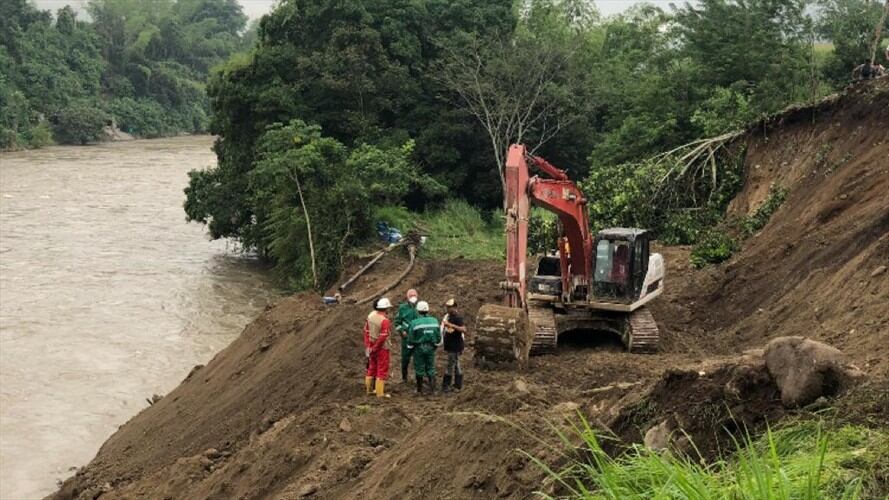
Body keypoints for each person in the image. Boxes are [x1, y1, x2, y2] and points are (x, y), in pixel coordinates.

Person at [407, 301, 440, 395]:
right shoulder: (434, 321)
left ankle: (419, 390)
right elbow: (438, 337)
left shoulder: (414, 322)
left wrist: (410, 347)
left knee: (419, 368)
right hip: (431, 347)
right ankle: (433, 390)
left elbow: (411, 338)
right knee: (431, 367)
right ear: (428, 310)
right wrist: (435, 345)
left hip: (418, 348)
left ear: (418, 311)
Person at [363, 297, 394, 398]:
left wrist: (369, 347)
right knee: (382, 369)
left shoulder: (370, 316)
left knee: (372, 368)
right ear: (386, 308)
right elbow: (382, 337)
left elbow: (366, 332)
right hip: (381, 348)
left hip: (371, 345)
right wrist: (376, 348)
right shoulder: (384, 321)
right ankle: (380, 394)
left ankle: (369, 390)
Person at [440, 298, 467, 392]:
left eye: (450, 307)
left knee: (451, 365)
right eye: (447, 307)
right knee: (455, 365)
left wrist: (451, 326)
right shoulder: (448, 317)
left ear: (455, 307)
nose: (448, 309)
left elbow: (464, 329)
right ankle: (457, 385)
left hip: (455, 346)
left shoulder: (457, 318)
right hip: (451, 346)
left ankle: (447, 385)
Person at [394, 289, 420, 382]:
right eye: (411, 296)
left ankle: (419, 378)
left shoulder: (420, 307)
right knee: (405, 358)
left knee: (418, 359)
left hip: (418, 338)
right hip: (407, 338)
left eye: (414, 295)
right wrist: (402, 331)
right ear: (407, 297)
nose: (413, 298)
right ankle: (404, 377)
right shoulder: (402, 308)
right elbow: (397, 322)